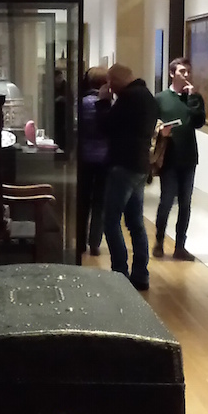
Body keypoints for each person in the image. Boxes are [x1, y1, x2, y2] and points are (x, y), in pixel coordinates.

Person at [96, 64, 159, 291]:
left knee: (111, 221)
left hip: (123, 165)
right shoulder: (148, 97)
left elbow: (106, 126)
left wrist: (103, 102)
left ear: (119, 79)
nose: (109, 86)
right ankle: (141, 274)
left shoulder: (129, 98)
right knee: (135, 223)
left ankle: (119, 272)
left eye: (111, 81)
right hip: (140, 165)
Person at [154, 57, 208, 260]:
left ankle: (180, 246)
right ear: (172, 74)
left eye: (188, 72)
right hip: (168, 156)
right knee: (167, 200)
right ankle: (159, 241)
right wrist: (161, 131)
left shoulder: (194, 98)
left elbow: (198, 121)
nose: (186, 75)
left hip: (188, 156)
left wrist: (192, 98)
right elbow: (153, 123)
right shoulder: (161, 98)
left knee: (185, 203)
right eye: (181, 71)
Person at [75, 66, 110, 258]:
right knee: (100, 203)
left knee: (83, 202)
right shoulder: (106, 104)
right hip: (104, 158)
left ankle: (80, 242)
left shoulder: (81, 103)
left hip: (84, 157)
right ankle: (95, 242)